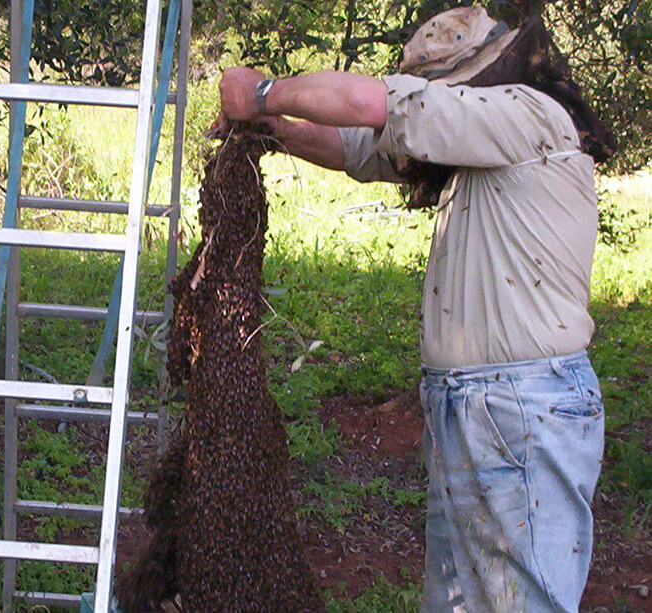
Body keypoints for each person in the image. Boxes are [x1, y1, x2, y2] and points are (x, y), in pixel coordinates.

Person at [215, 6, 616, 613]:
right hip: (477, 405)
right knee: (458, 600)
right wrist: (276, 131)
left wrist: (265, 93)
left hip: (523, 406)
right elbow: (360, 146)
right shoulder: (477, 146)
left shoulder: (528, 115)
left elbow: (375, 106)